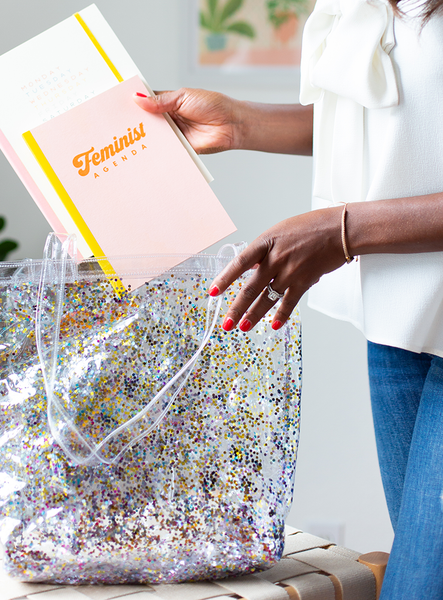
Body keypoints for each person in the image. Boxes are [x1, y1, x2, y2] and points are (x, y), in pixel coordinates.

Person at [135, 0, 443, 597]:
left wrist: (343, 230)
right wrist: (242, 124)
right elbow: (392, 117)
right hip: (402, 322)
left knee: (417, 585)